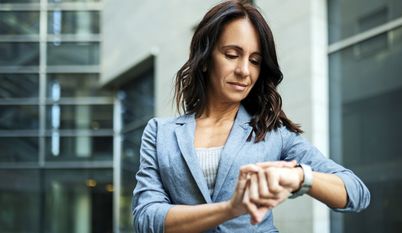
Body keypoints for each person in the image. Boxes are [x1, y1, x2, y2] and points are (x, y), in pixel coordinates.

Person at [132, 1, 370, 233]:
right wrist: (230, 209)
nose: (244, 71)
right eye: (232, 54)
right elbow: (145, 219)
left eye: (254, 61)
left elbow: (356, 193)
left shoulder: (272, 133)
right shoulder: (160, 132)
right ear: (204, 60)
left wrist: (299, 176)